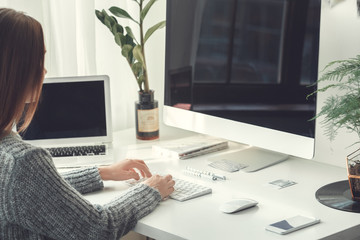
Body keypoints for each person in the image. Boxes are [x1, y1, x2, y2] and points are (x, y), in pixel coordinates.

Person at [0, 8, 175, 240]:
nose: (44, 70)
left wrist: (101, 173)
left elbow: (35, 196)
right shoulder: (23, 163)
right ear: (17, 69)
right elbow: (98, 229)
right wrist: (150, 190)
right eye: (39, 59)